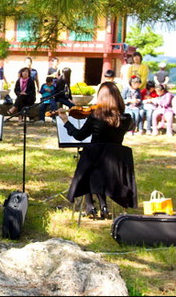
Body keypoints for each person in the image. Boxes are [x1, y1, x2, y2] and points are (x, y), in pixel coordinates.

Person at [58, 82, 135, 219]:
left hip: (94, 160)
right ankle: (103, 205)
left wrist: (65, 121)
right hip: (114, 165)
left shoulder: (95, 116)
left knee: (87, 165)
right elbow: (125, 125)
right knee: (96, 166)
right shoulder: (126, 119)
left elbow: (79, 135)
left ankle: (90, 206)